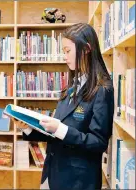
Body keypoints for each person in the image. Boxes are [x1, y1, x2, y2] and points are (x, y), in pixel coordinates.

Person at [12, 23, 114, 190]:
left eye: (68, 51)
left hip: (78, 180)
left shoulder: (102, 90)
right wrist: (28, 128)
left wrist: (61, 129)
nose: (64, 56)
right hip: (53, 172)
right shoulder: (71, 86)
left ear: (86, 49)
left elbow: (98, 142)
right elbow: (56, 133)